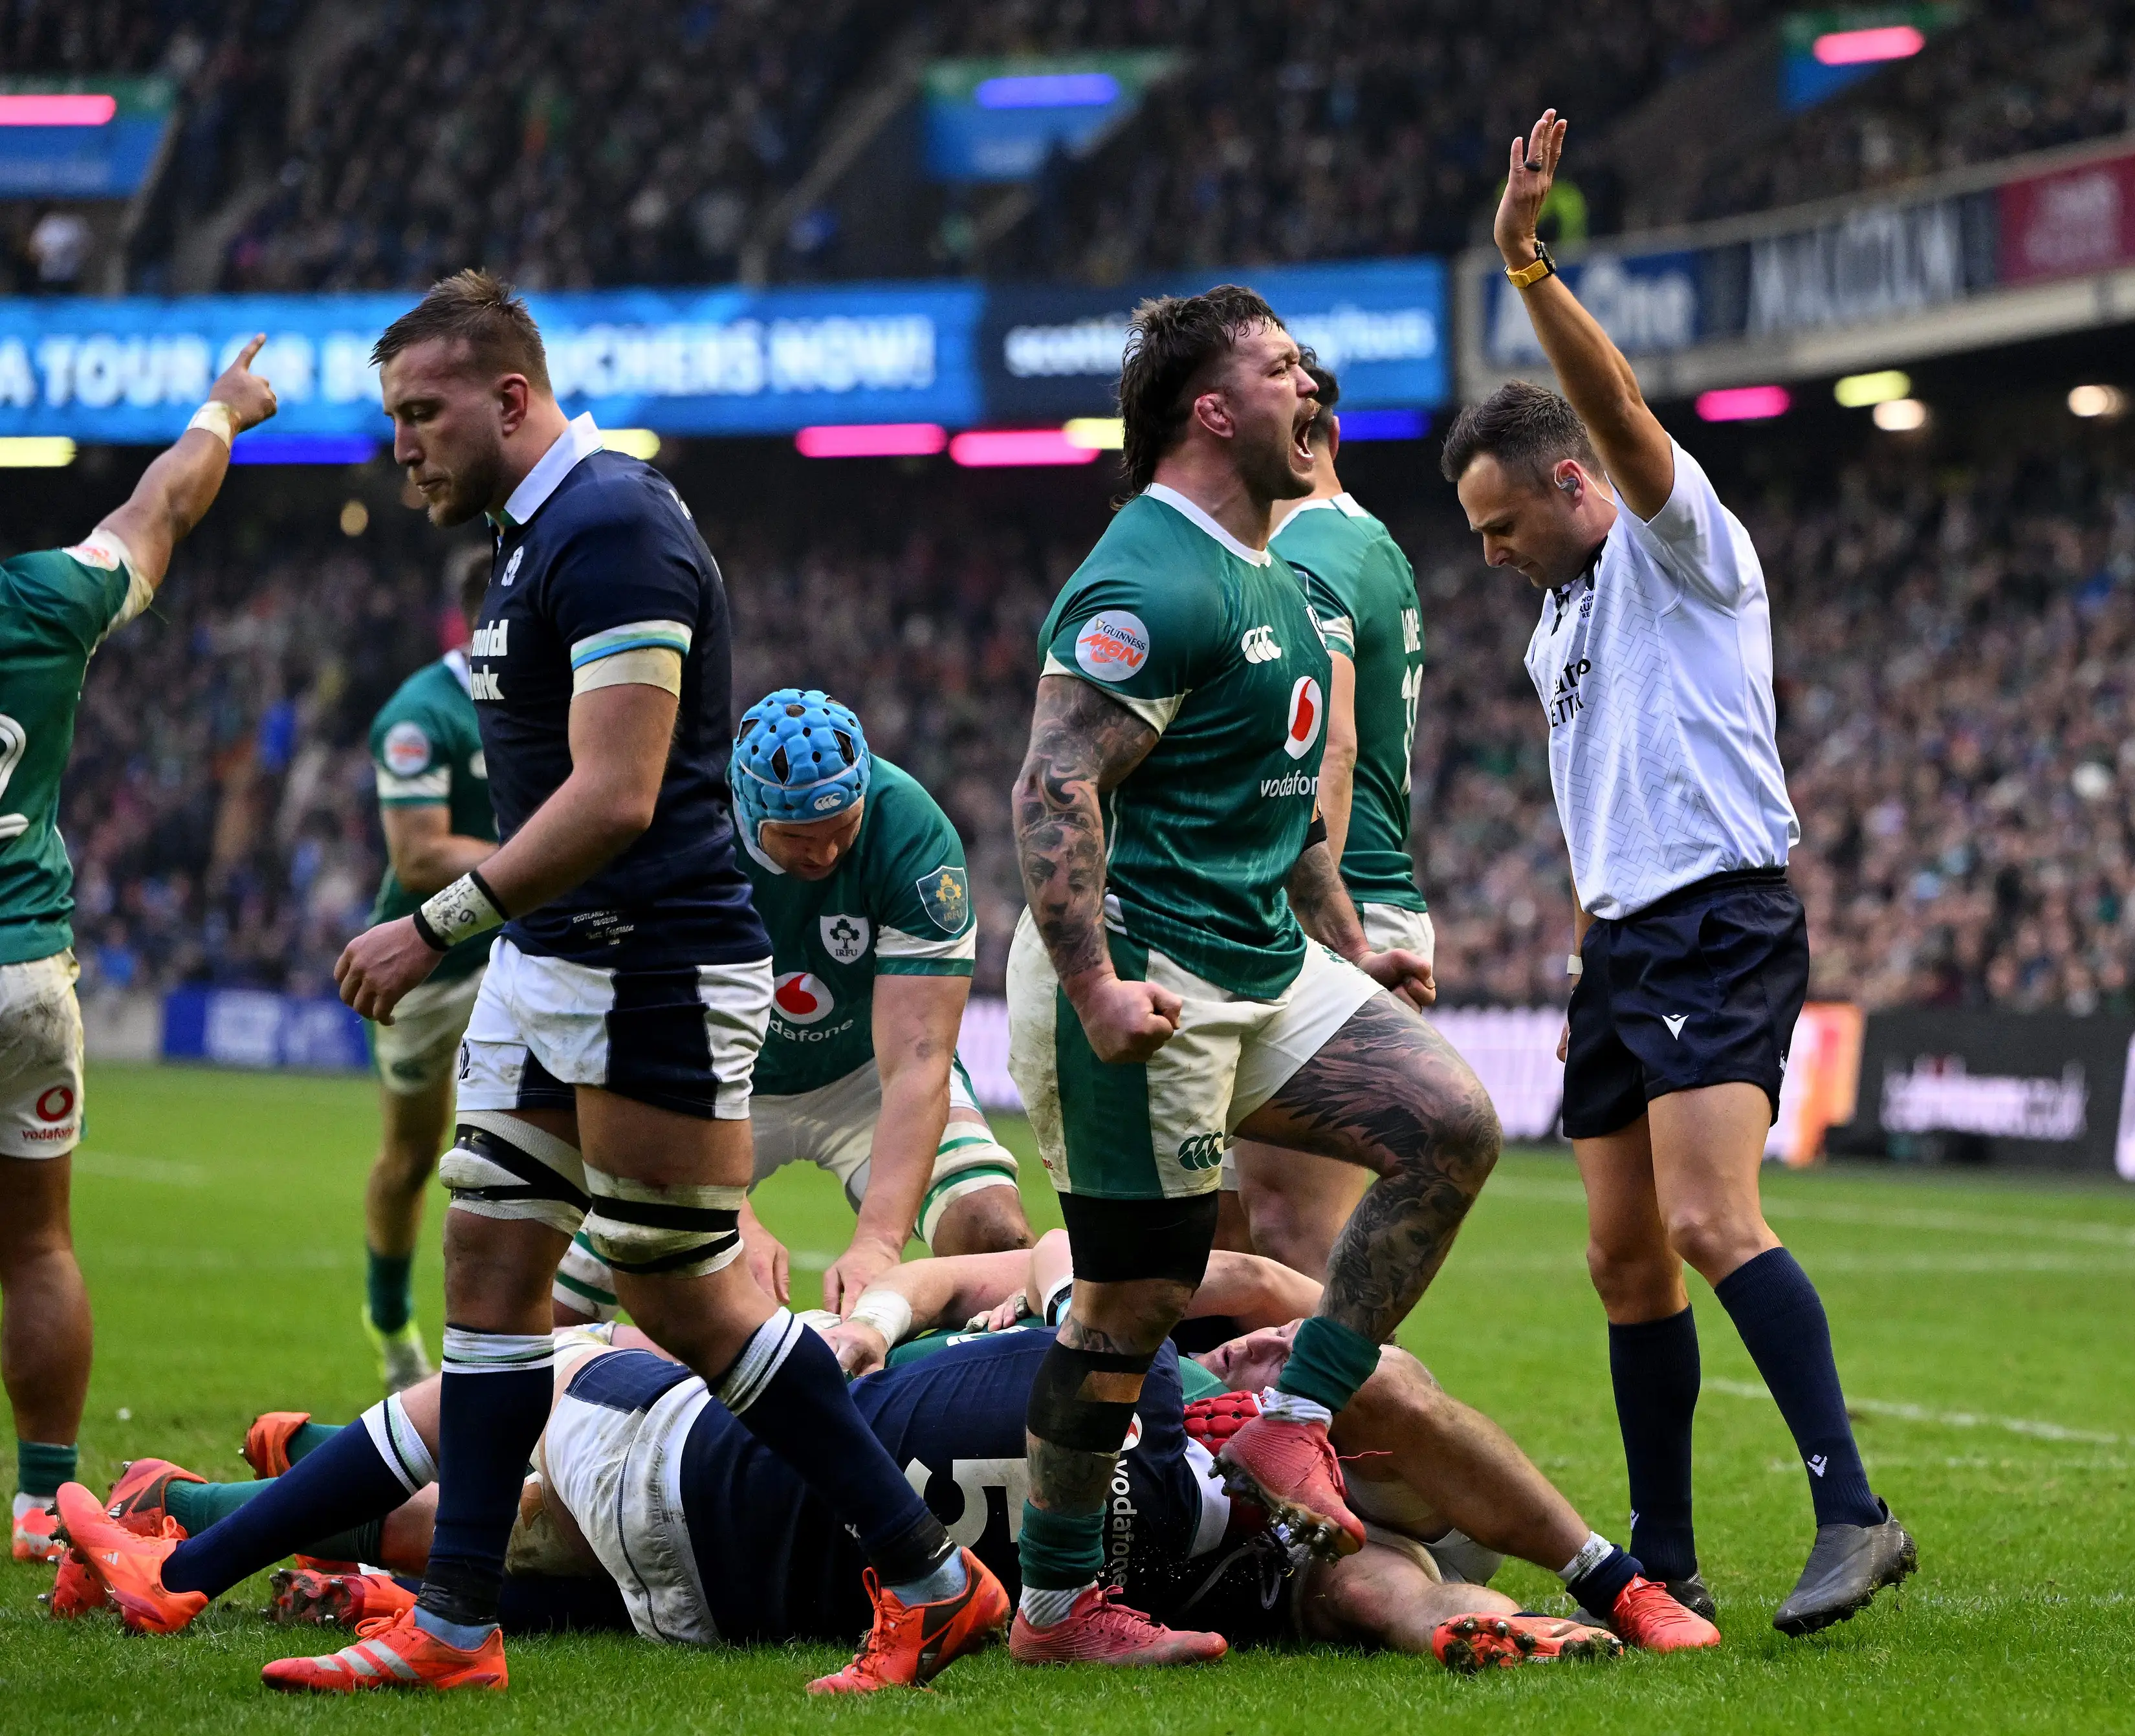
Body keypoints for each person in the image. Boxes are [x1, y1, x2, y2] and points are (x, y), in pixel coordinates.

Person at [314, 270, 1005, 1694]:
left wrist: (431, 922)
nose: (404, 444)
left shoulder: (613, 524)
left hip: (645, 973)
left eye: (423, 412)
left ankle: (931, 1570)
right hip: (559, 963)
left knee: (686, 1302)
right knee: (494, 1273)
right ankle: (453, 1624)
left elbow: (620, 792)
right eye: (394, 418)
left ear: (512, 398)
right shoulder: (529, 539)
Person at [1447, 109, 1914, 1637]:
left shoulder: (1674, 545)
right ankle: (1664, 1552)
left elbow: (1623, 409)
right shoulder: (1553, 619)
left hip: (1719, 917)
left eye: (1505, 521)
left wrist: (1523, 265)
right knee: (1619, 1254)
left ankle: (1854, 1509)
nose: (1495, 552)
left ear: (1574, 482)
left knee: (1716, 1222)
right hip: (1619, 946)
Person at [54, 1240, 1716, 1668]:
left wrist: (873, 1323)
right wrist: (1486, 1606)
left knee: (499, 1406)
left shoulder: (1152, 1340)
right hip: (756, 1584)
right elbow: (1397, 1584)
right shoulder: (1285, 1558)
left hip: (715, 1470)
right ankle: (251, 1513)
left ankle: (209, 1521)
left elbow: (1308, 1329)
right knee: (513, 1544)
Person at [1005, 283, 1517, 1667]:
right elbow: (1052, 788)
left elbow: (1277, 803)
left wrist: (1344, 938)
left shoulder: (1281, 575)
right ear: (1213, 411)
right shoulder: (1146, 577)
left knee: (1452, 1125)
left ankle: (1295, 1422)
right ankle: (1056, 1613)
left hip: (1267, 959)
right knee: (1130, 1309)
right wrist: (1101, 989)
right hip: (1140, 980)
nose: (1316, 393)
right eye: (1285, 369)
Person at [1, 338, 279, 1563]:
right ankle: (38, 1502)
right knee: (38, 1243)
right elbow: (160, 505)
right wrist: (223, 407)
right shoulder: (43, 601)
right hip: (25, 973)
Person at [550, 689, 1029, 1330]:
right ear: (749, 814)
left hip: (865, 1073)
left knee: (994, 1234)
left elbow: (920, 1060)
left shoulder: (910, 831)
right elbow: (650, 1047)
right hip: (716, 1084)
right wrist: (729, 1219)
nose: (826, 855)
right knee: (558, 1288)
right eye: (799, 838)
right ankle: (547, 1420)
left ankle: (968, 1418)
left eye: (842, 832)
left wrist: (878, 1243)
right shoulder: (682, 835)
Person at [1222, 357, 1432, 1279]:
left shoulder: (1307, 556)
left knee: (1295, 1237)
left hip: (1330, 909)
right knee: (1227, 1234)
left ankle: (1326, 1423)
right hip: (1343, 905)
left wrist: (1309, 930)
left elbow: (1328, 745)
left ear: (1312, 440)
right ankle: (1231, 1426)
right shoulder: (1369, 545)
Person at [356, 545, 500, 1393]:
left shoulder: (560, 699)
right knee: (411, 1157)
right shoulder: (421, 713)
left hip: (522, 954)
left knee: (537, 1150)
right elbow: (417, 858)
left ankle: (538, 1343)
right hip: (428, 963)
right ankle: (388, 1319)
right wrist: (544, 860)